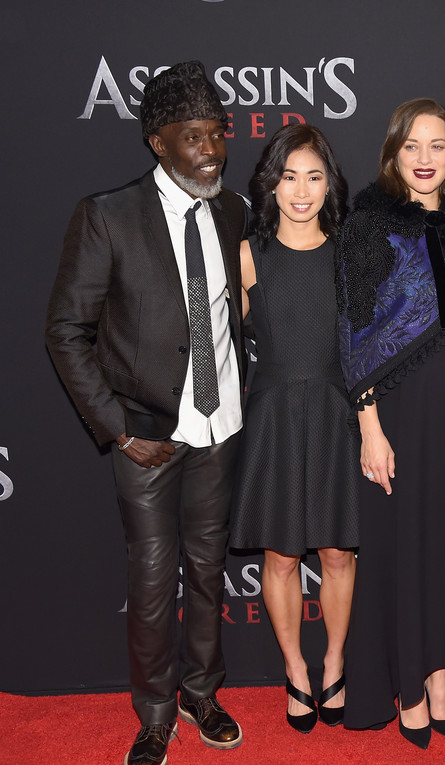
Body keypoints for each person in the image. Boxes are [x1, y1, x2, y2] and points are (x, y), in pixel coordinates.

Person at [45, 61, 247, 765]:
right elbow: (65, 330)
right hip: (149, 435)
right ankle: (156, 713)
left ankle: (201, 693)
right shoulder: (107, 215)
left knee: (209, 570)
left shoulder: (232, 209)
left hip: (221, 426)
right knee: (155, 580)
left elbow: (228, 314)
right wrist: (119, 427)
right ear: (158, 142)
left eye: (217, 133)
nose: (212, 150)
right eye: (194, 137)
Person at [336, 98, 445, 749]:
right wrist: (370, 427)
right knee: (408, 546)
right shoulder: (368, 223)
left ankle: (441, 679)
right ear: (393, 152)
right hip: (401, 410)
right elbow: (354, 331)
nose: (425, 158)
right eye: (412, 145)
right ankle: (409, 684)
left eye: (438, 145)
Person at [228, 124, 358, 734]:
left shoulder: (349, 253)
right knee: (280, 556)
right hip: (274, 418)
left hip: (337, 413)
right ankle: (295, 668)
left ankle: (334, 660)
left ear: (329, 184)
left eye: (313, 177)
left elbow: (372, 345)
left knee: (336, 551)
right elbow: (213, 341)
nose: (301, 191)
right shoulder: (247, 256)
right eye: (289, 177)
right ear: (271, 184)